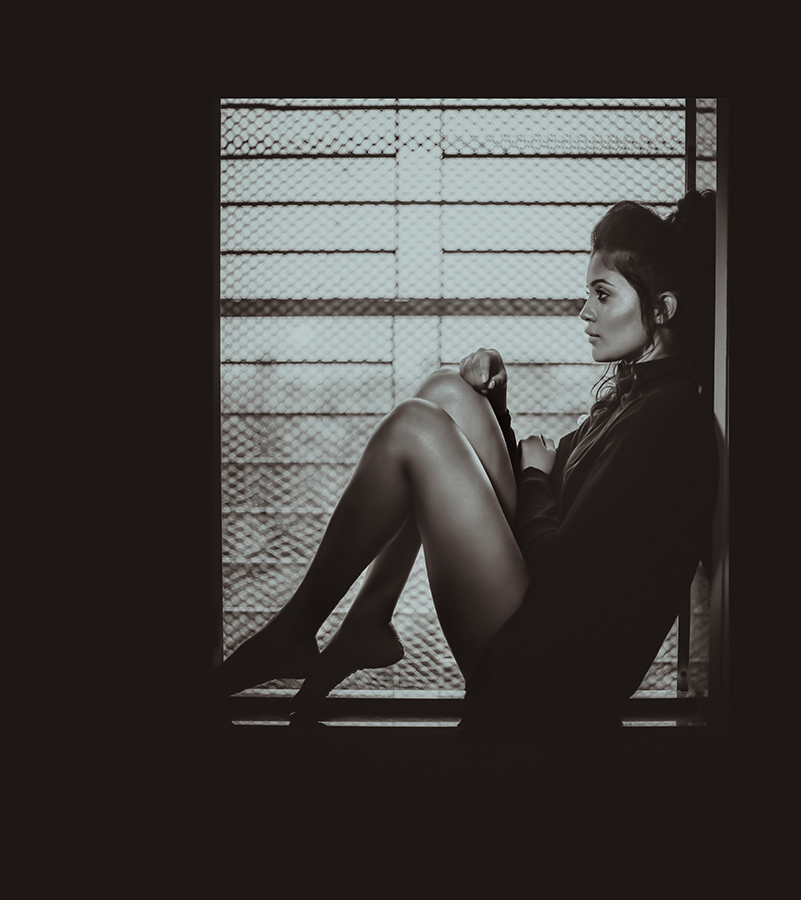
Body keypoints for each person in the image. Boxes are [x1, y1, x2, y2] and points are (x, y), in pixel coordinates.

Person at [214, 190, 719, 731]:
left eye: (602, 294)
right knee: (447, 389)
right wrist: (495, 404)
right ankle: (368, 618)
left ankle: (297, 629)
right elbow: (540, 500)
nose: (585, 311)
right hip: (541, 633)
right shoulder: (635, 398)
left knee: (415, 425)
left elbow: (557, 573)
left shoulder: (666, 422)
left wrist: (534, 473)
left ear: (662, 309)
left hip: (549, 683)